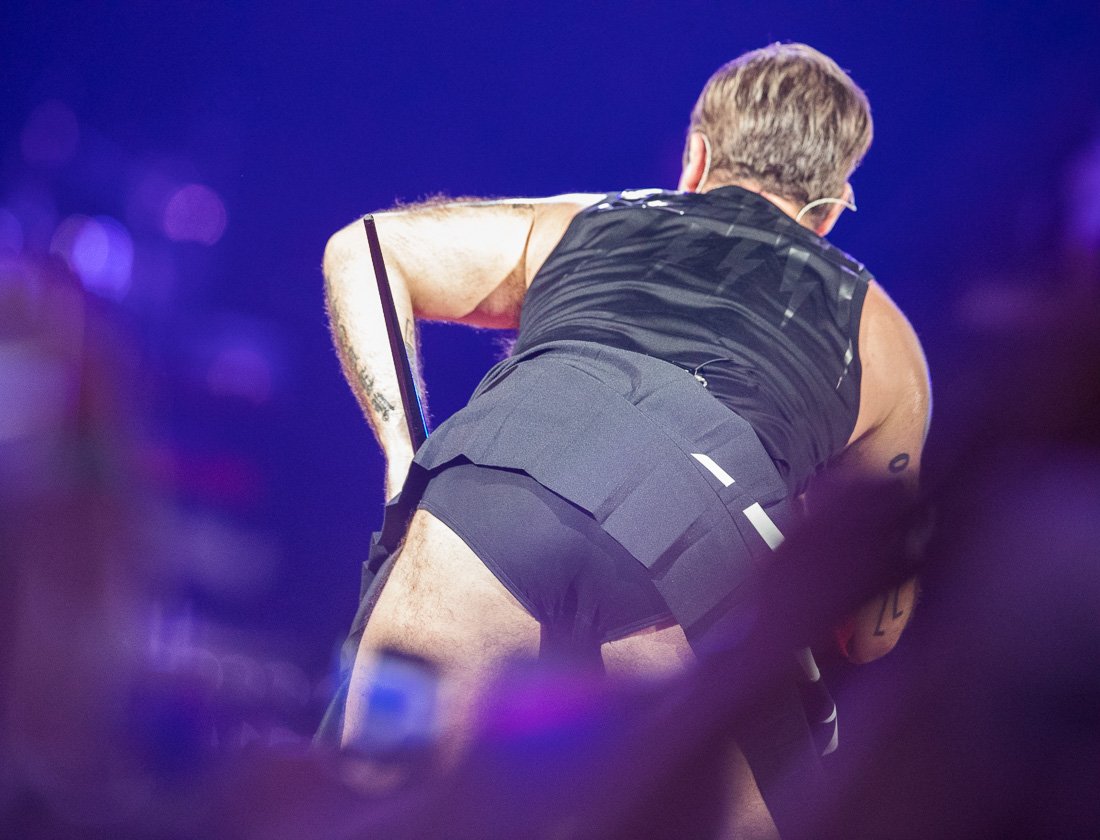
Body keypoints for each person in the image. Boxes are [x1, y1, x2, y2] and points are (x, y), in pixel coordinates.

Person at [321, 42, 929, 834]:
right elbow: (875, 628)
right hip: (698, 551)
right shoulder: (882, 336)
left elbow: (366, 248)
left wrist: (408, 455)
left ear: (697, 158)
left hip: (491, 493)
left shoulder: (585, 219)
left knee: (370, 809)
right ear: (831, 208)